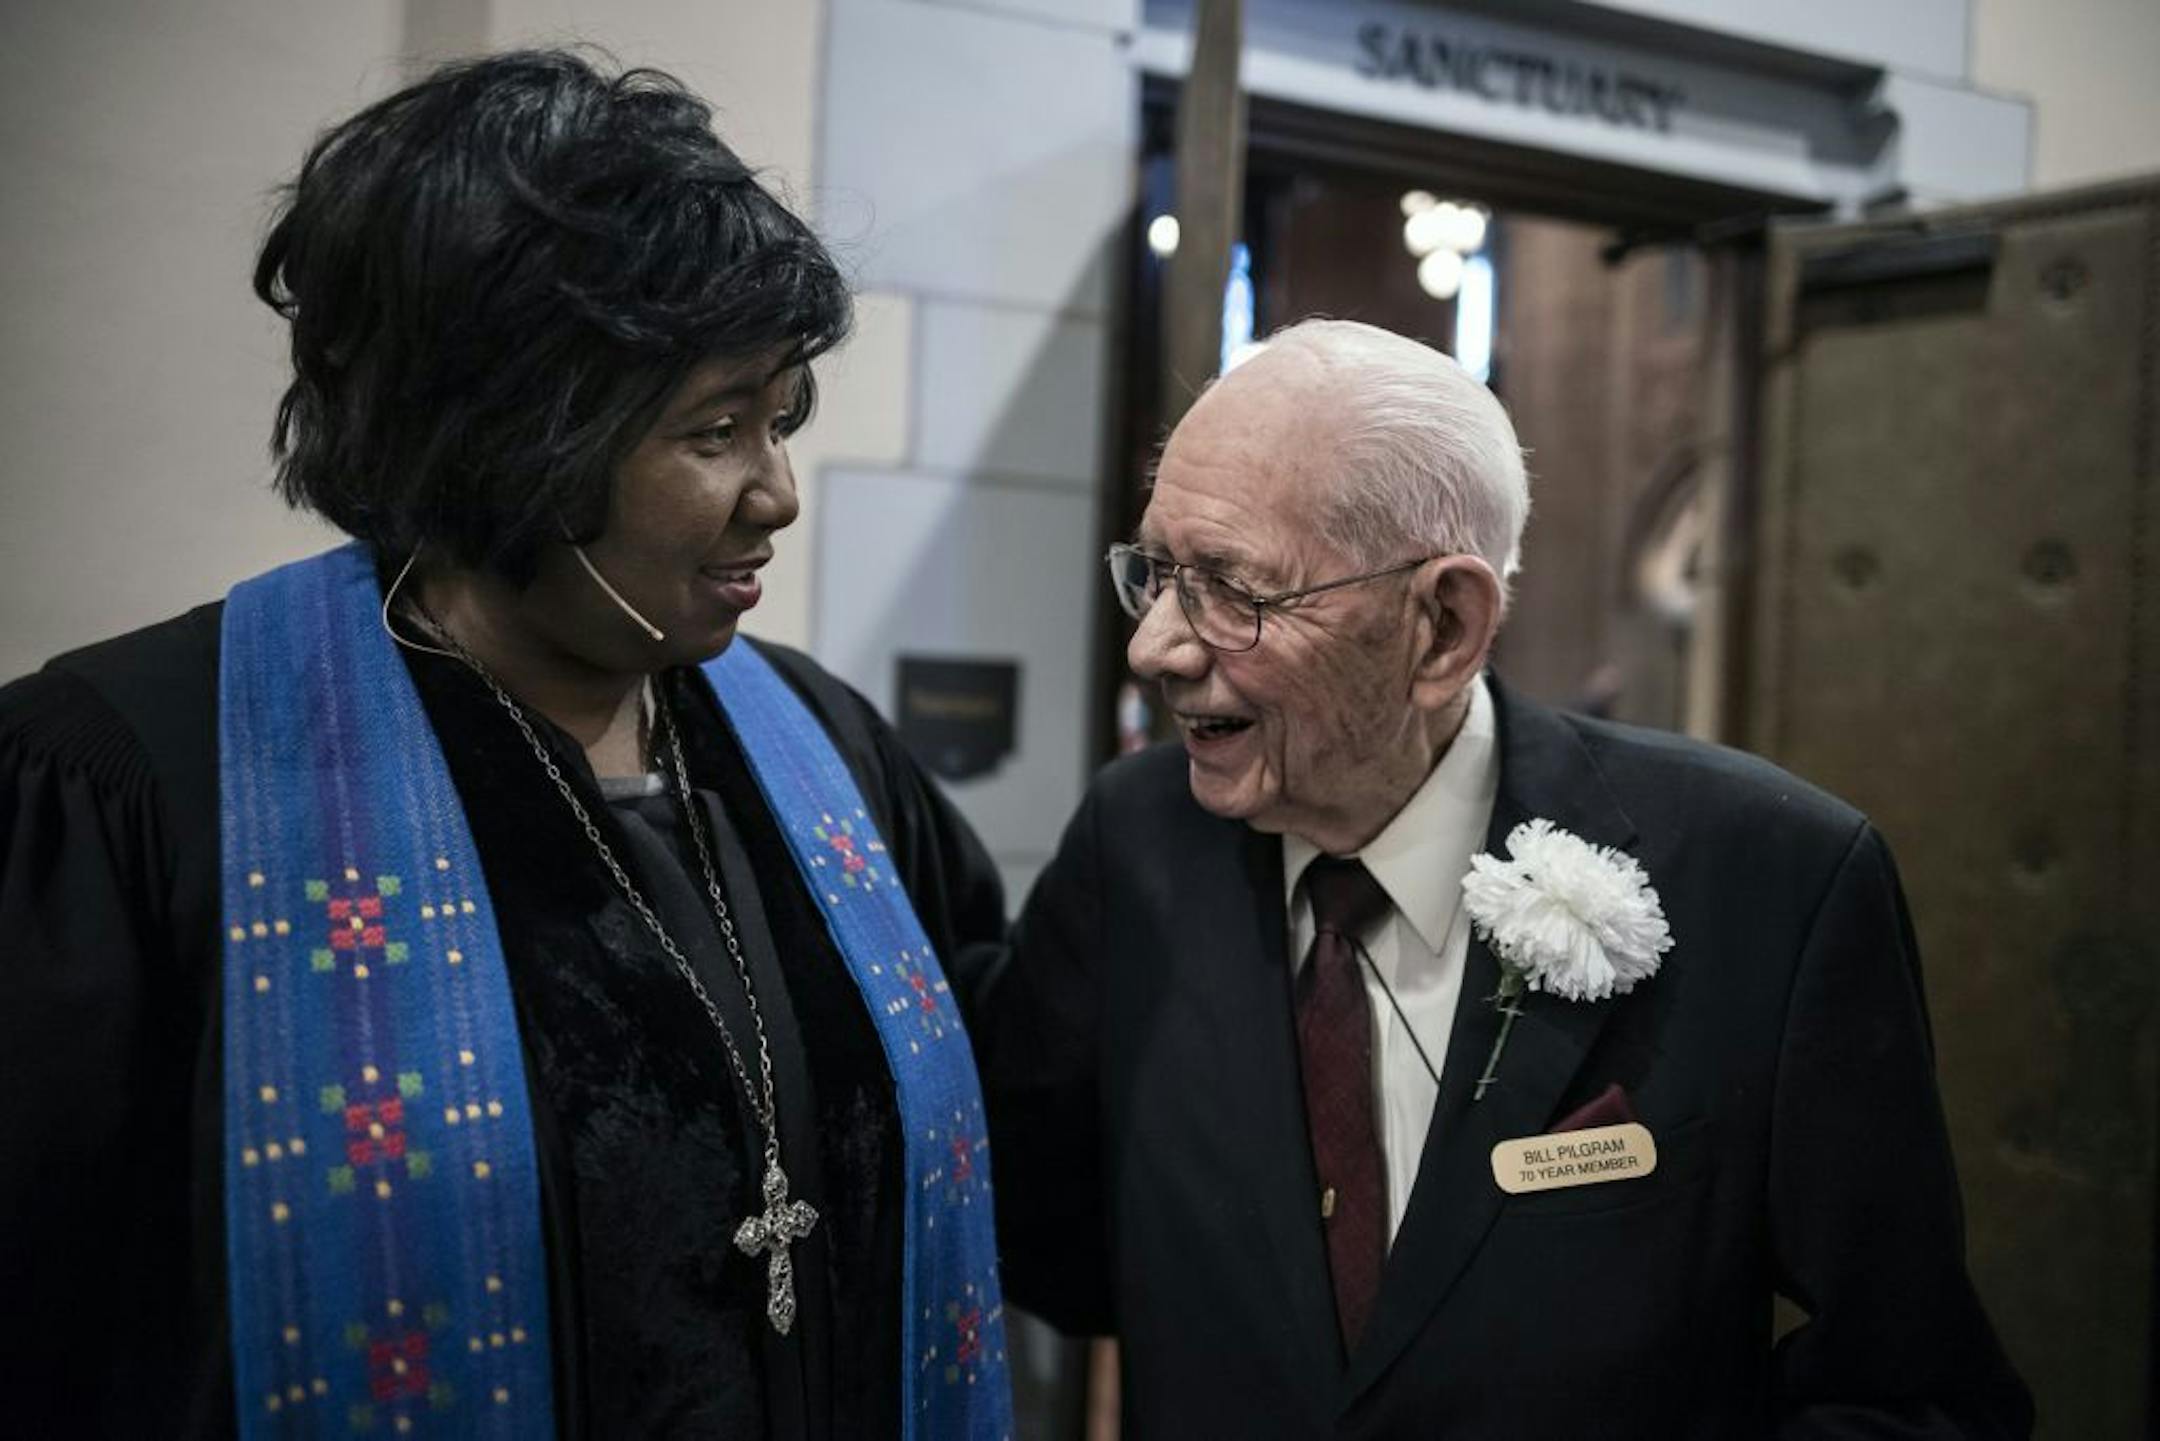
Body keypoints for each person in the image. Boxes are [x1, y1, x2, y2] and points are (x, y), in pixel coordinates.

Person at [0, 51, 1011, 1439]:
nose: (776, 493)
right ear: (509, 441)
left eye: (780, 418)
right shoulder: (136, 792)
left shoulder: (822, 749)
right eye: (715, 431)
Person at [975, 319, 2030, 1437]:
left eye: (1234, 590)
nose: (1155, 647)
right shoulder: (1134, 846)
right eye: (1159, 573)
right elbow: (1048, 1245)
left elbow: (1916, 1397)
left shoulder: (1770, 879)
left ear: (1443, 625)